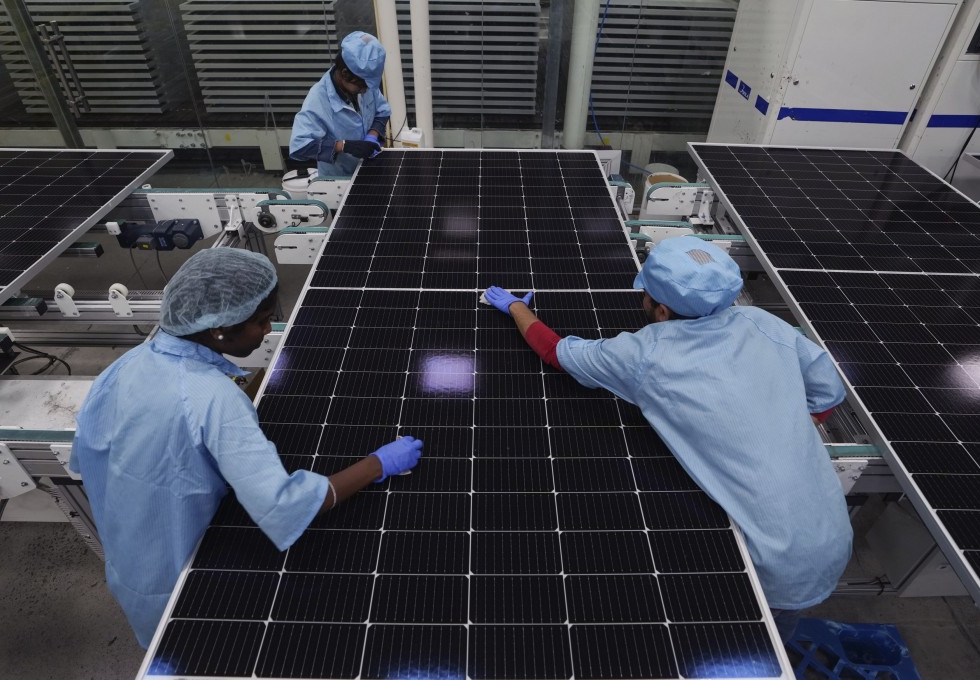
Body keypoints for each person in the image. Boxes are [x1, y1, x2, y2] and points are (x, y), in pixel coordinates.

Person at [484, 235, 852, 643]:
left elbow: (557, 353)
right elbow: (828, 394)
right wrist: (775, 422)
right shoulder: (761, 322)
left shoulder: (646, 353)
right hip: (832, 534)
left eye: (647, 296)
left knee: (743, 640)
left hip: (767, 562)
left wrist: (517, 307)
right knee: (781, 629)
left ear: (661, 310)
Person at [70, 248, 422, 648]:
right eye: (260, 321)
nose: (268, 329)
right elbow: (285, 506)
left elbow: (86, 458)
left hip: (129, 566)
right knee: (199, 657)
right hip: (184, 583)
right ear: (219, 330)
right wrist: (378, 464)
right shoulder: (213, 399)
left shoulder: (125, 365)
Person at [289, 31, 391, 177]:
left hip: (368, 169)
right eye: (362, 86)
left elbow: (382, 111)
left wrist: (372, 136)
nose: (365, 91)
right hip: (339, 179)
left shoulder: (364, 83)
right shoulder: (318, 99)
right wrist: (343, 146)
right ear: (344, 73)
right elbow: (299, 147)